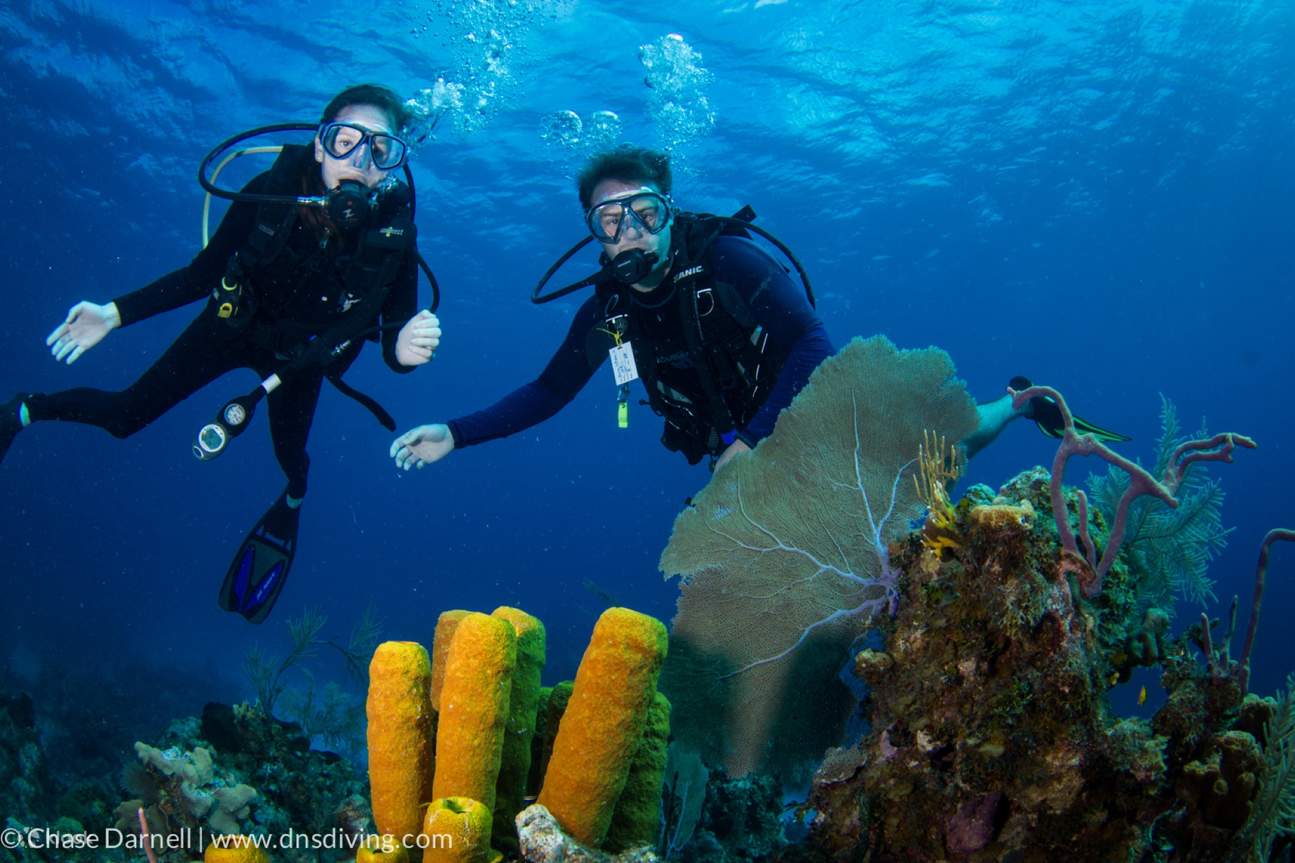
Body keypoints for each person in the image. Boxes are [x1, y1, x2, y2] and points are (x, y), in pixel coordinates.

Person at [388, 145, 1122, 476]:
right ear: (593, 235)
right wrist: (457, 433)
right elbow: (549, 391)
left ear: (670, 214)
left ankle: (1021, 401)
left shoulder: (728, 261)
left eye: (642, 212)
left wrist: (750, 438)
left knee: (944, 451)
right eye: (607, 222)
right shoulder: (609, 313)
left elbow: (811, 341)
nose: (629, 233)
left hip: (809, 411)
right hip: (742, 451)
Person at [0, 83, 441, 623]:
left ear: (392, 166)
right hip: (230, 325)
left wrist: (403, 351)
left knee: (294, 465)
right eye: (346, 141)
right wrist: (114, 314)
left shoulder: (395, 238)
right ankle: (24, 409)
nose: (360, 161)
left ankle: (290, 510)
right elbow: (200, 276)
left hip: (297, 364)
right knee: (123, 417)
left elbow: (394, 344)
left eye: (380, 151)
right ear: (321, 146)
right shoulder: (271, 192)